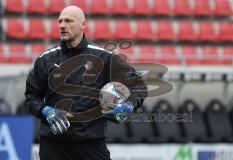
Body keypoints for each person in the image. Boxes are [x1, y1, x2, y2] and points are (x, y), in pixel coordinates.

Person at [25, 6, 147, 160]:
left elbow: (139, 86)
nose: (62, 25)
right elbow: (31, 97)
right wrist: (46, 111)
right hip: (53, 144)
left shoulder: (104, 57)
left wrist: (128, 105)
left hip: (90, 144)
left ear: (83, 25)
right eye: (60, 21)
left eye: (68, 21)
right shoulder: (46, 59)